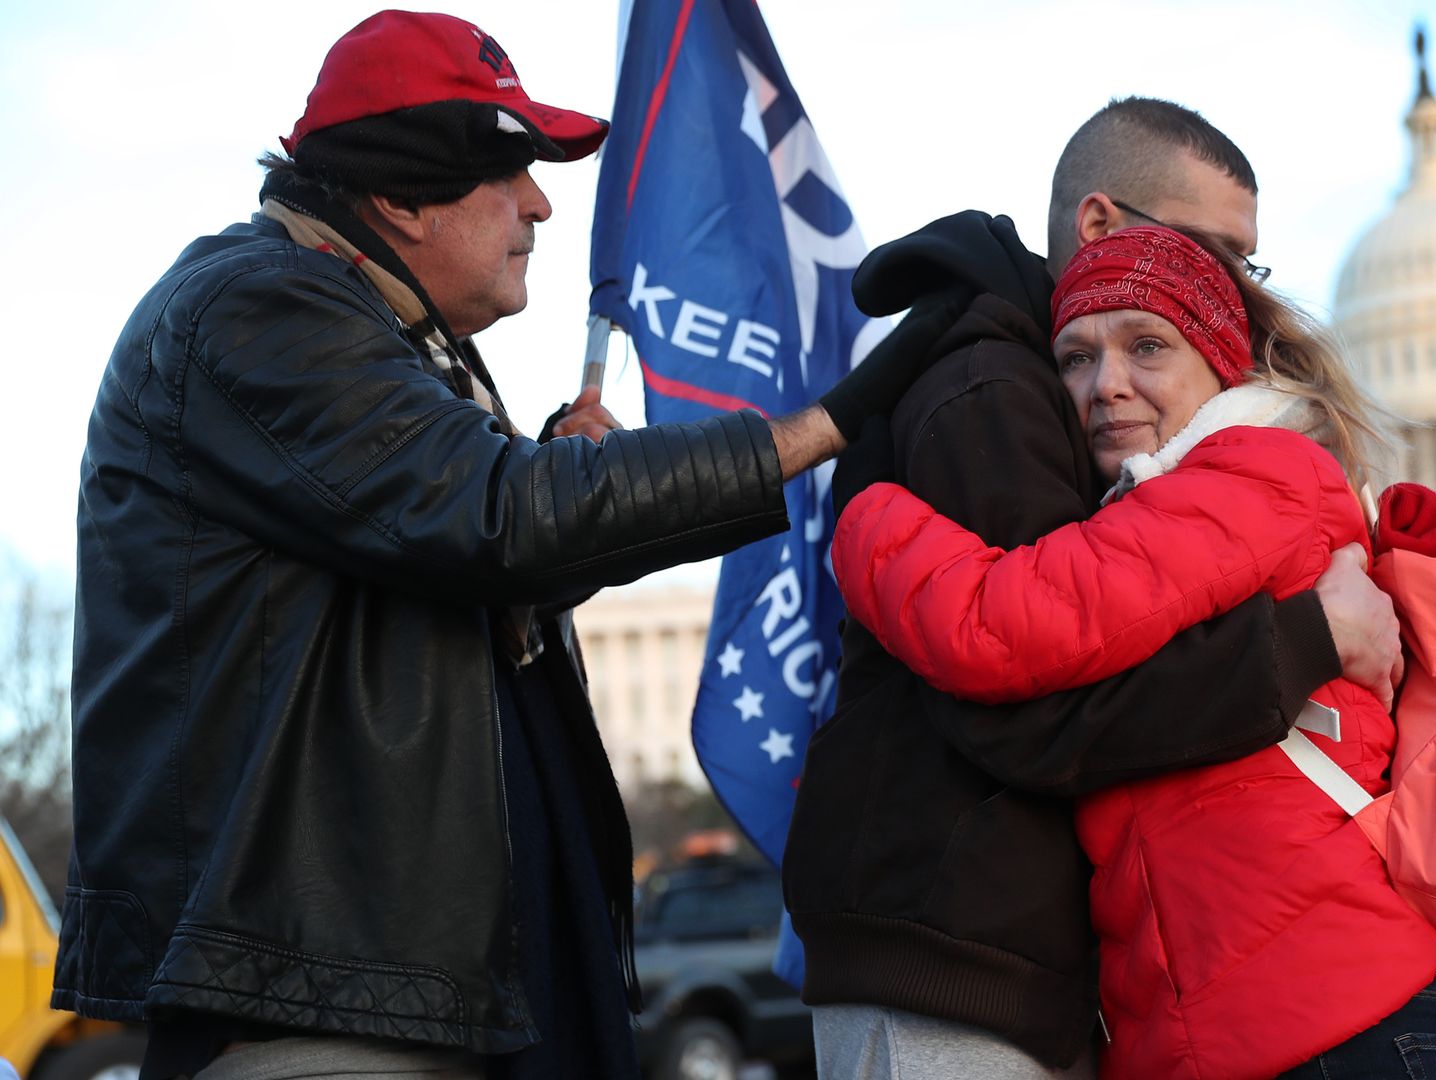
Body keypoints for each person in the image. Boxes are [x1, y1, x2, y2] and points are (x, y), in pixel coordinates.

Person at [55, 12, 932, 1080]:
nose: (543, 203)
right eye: (509, 169)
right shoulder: (258, 307)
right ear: (398, 193)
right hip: (324, 1019)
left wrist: (564, 482)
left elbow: (487, 534)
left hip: (398, 998)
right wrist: (825, 426)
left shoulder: (383, 335)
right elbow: (500, 518)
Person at [782, 99, 1402, 1078]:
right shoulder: (995, 380)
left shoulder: (1181, 459)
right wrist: (1310, 638)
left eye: (1249, 264)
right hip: (955, 959)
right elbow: (1030, 695)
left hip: (1096, 972)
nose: (1236, 283)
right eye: (1215, 248)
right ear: (1102, 227)